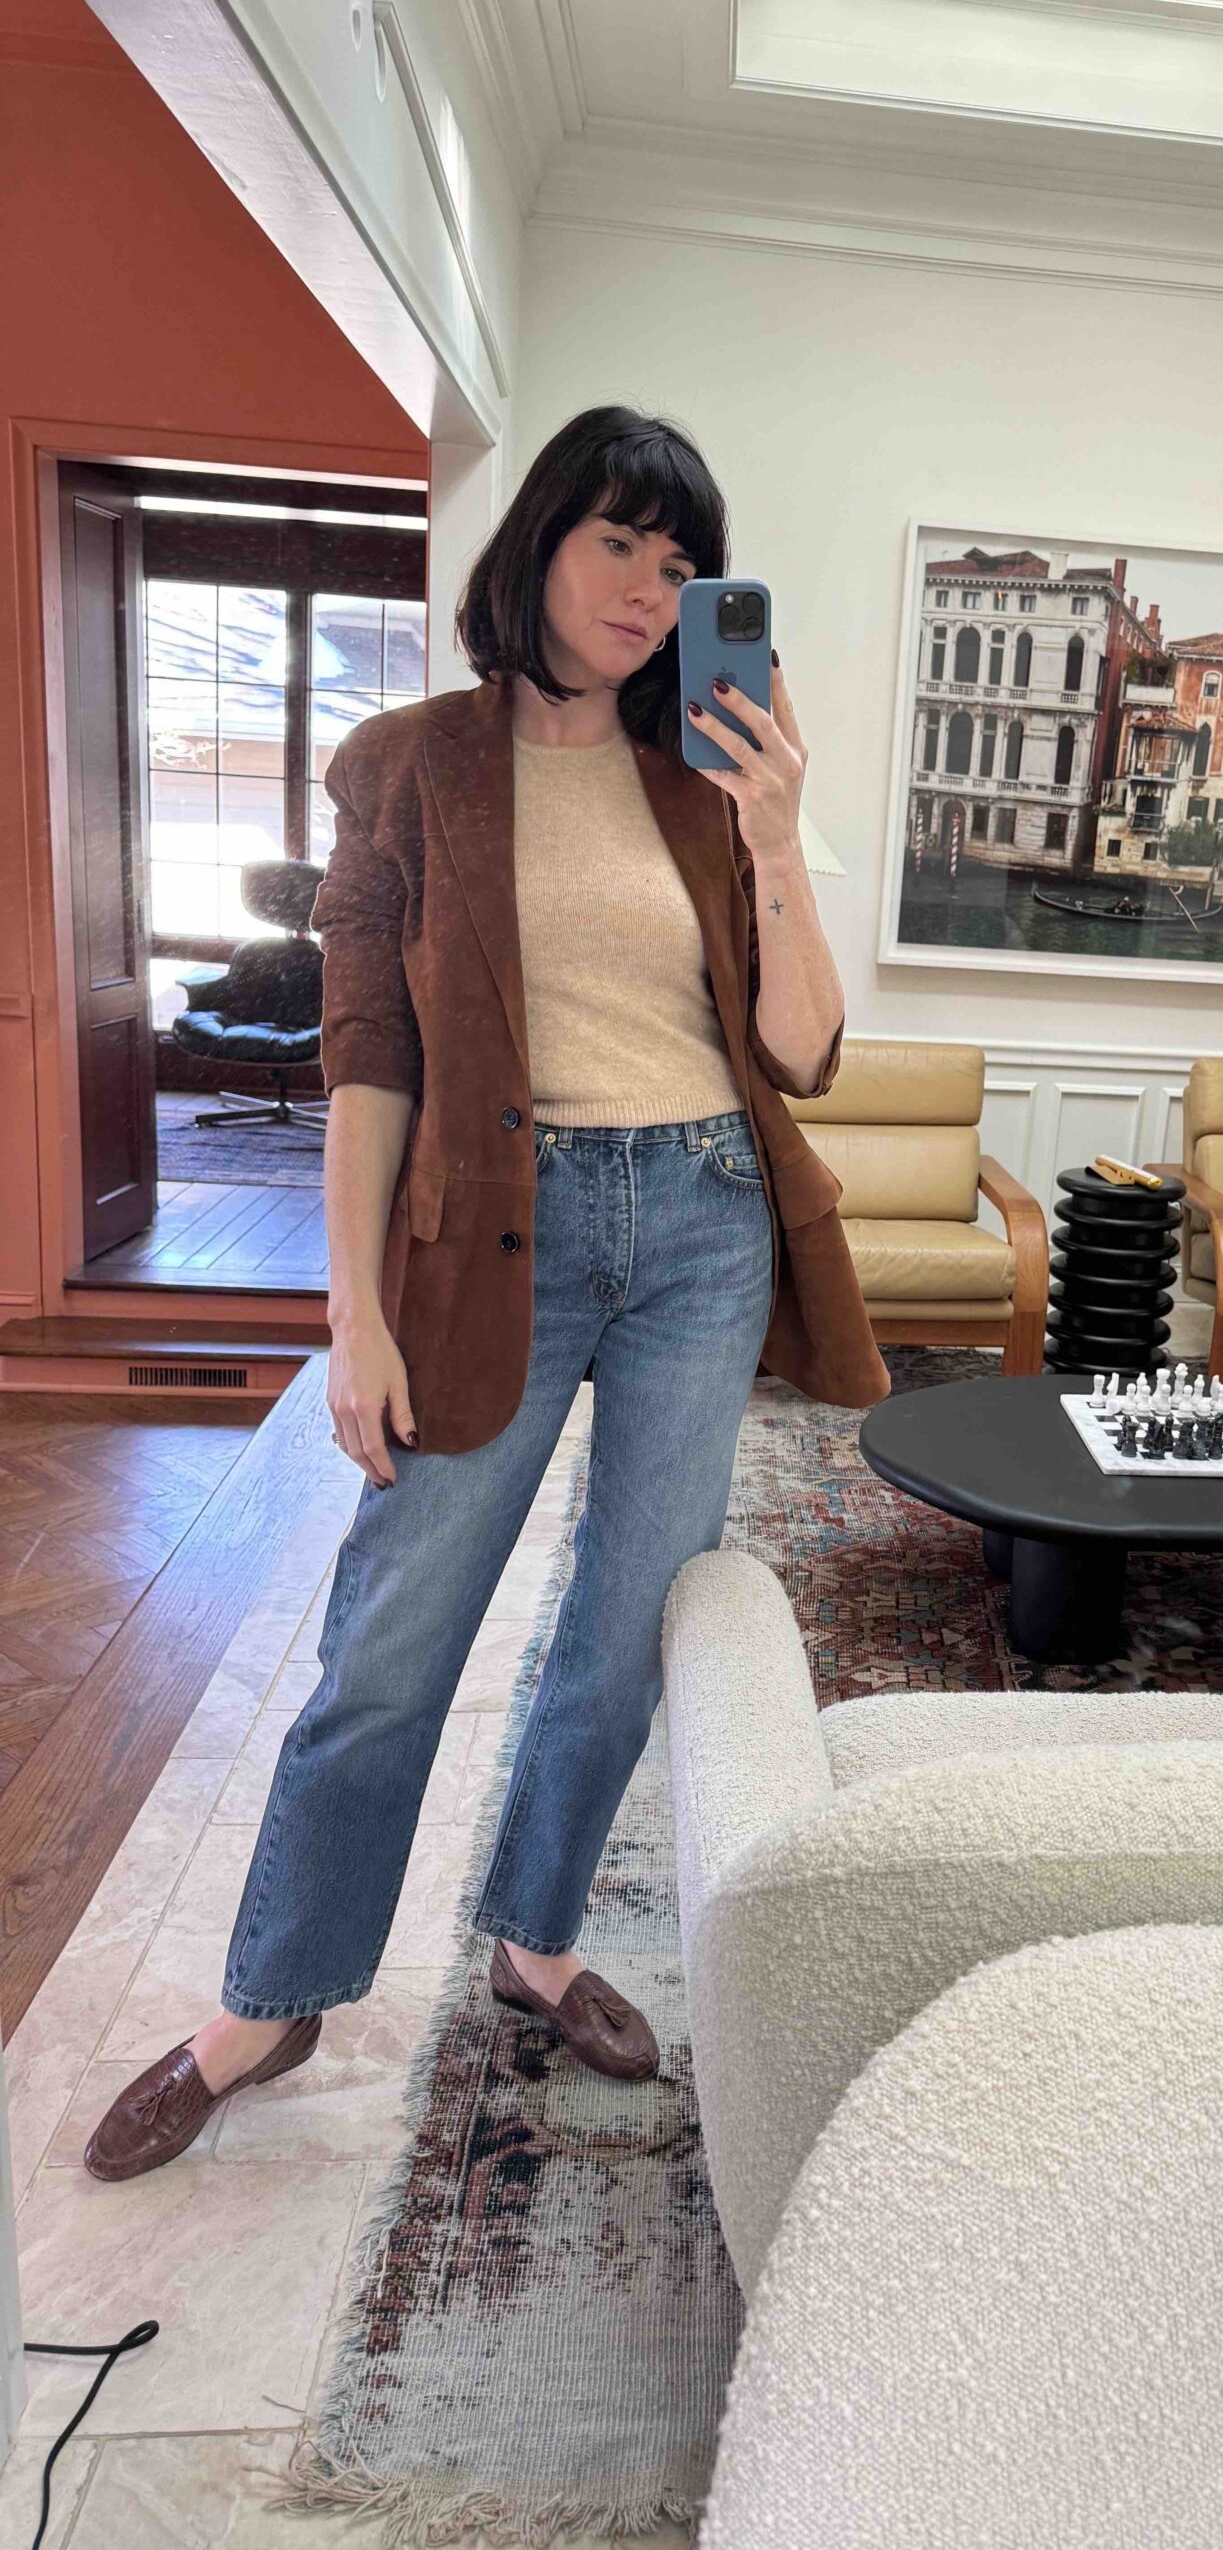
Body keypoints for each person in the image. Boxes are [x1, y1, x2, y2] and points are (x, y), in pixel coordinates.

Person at [86, 405, 888, 2181]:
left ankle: (534, 1949)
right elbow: (367, 1051)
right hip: (488, 1234)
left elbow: (807, 1050)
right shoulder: (407, 765)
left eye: (684, 567)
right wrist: (348, 1315)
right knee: (394, 1635)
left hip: (699, 1218)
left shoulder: (712, 774)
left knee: (624, 1632)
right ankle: (272, 1996)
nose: (648, 590)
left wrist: (778, 832)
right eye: (620, 543)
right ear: (535, 546)